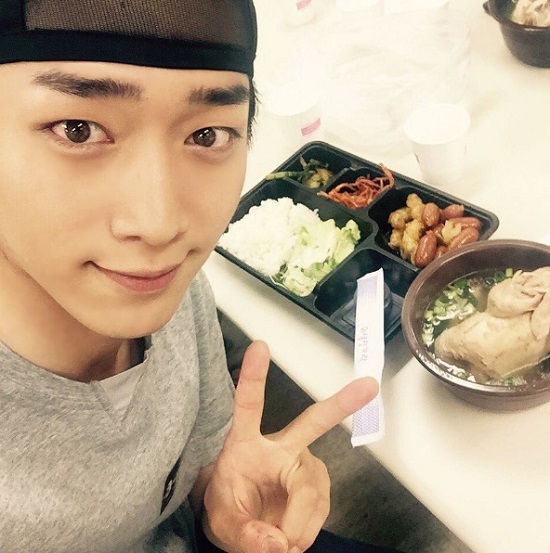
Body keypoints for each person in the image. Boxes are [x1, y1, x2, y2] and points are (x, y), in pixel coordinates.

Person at [0, 1, 400, 552]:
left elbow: (197, 453)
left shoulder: (160, 283)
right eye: (78, 130)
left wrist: (218, 492)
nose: (161, 224)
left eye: (208, 135)